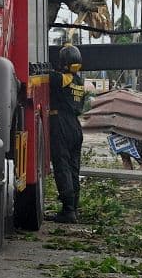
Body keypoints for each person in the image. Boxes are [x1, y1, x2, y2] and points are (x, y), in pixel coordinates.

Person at [48, 43, 86, 224]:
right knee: (73, 168)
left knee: (62, 166)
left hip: (61, 124)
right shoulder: (79, 82)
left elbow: (46, 76)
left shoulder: (61, 79)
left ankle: (68, 210)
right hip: (75, 126)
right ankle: (73, 208)